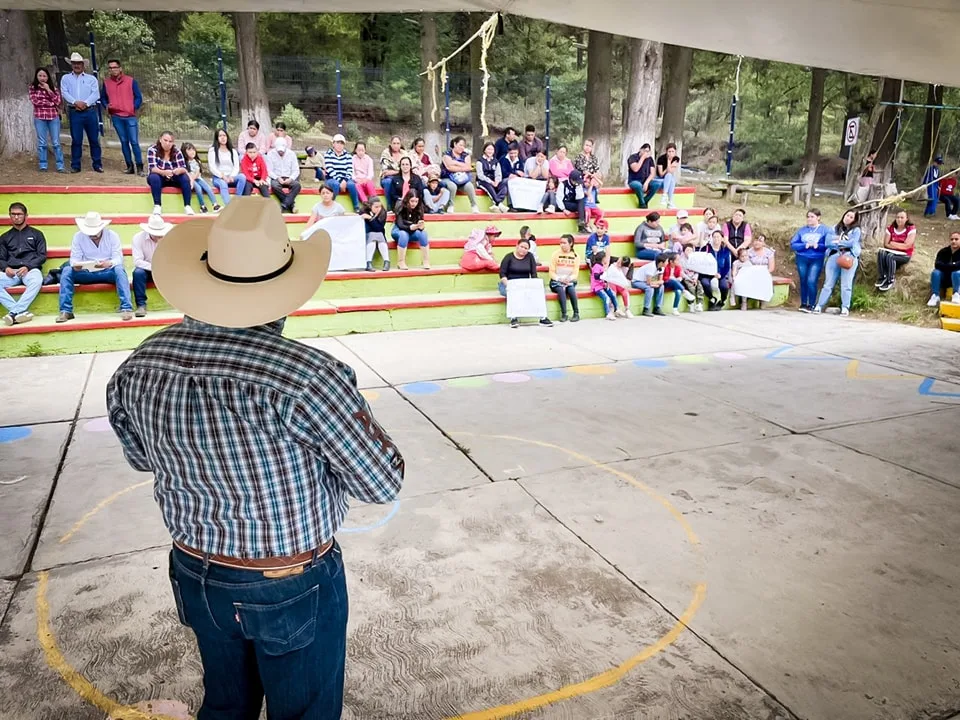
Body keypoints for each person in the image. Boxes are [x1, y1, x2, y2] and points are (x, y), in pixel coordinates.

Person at [106, 198, 404, 720]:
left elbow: (140, 458)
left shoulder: (140, 364)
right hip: (286, 580)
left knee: (226, 704)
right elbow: (380, 483)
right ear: (284, 292)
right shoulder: (309, 377)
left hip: (194, 567)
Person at [57, 211, 132, 323]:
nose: (92, 235)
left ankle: (126, 308)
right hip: (86, 272)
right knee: (67, 270)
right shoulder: (78, 237)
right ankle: (66, 310)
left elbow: (118, 258)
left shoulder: (112, 235)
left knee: (119, 269)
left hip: (107, 271)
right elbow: (74, 259)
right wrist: (77, 265)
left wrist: (109, 263)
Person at [0, 202, 46, 326]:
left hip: (30, 270)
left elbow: (42, 256)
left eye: (19, 214)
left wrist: (28, 266)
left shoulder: (37, 234)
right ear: (9, 216)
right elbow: (1, 258)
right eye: (13, 214)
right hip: (11, 273)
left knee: (37, 280)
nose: (16, 217)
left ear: (26, 215)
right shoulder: (4, 237)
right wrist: (6, 268)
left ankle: (13, 313)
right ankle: (20, 311)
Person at [60, 52, 102, 174]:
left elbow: (95, 94)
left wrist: (85, 103)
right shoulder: (65, 78)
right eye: (74, 63)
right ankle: (76, 165)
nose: (76, 65)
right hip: (75, 111)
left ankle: (97, 164)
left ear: (83, 64)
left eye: (78, 63)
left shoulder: (91, 79)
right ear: (71, 64)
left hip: (89, 111)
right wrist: (75, 102)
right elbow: (65, 93)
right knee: (76, 139)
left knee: (94, 139)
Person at [102, 59, 144, 176]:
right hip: (116, 116)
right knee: (124, 141)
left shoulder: (131, 81)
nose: (113, 70)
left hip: (130, 116)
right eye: (110, 68)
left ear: (120, 68)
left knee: (134, 142)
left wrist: (132, 107)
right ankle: (129, 166)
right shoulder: (106, 83)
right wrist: (107, 106)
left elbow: (138, 97)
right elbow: (103, 98)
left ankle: (140, 166)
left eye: (115, 67)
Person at [499, 237, 552, 328]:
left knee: (538, 292)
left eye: (526, 248)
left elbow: (533, 273)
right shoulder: (509, 257)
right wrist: (508, 284)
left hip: (525, 283)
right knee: (513, 294)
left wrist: (535, 286)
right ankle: (513, 318)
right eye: (522, 247)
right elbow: (502, 273)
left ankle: (542, 317)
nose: (523, 250)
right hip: (509, 283)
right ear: (517, 246)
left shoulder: (530, 256)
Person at [815, 211, 860, 316]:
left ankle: (845, 307)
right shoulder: (834, 228)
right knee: (828, 283)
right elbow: (828, 242)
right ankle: (819, 305)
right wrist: (842, 242)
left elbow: (852, 243)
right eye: (847, 215)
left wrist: (838, 241)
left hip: (849, 256)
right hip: (834, 255)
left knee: (846, 284)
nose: (848, 218)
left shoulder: (856, 230)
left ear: (854, 219)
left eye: (851, 217)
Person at [790, 208, 832, 312]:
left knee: (811, 280)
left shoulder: (825, 230)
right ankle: (804, 303)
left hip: (816, 258)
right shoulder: (802, 230)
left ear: (818, 218)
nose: (809, 219)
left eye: (812, 217)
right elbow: (793, 244)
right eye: (808, 217)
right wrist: (805, 245)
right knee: (803, 280)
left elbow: (828, 244)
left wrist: (818, 246)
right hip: (802, 257)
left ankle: (812, 304)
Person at [131, 214, 173, 317]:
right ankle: (141, 305)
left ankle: (183, 303)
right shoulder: (138, 238)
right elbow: (138, 261)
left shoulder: (169, 238)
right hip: (148, 269)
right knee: (138, 273)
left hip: (165, 268)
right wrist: (154, 267)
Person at [147, 131, 193, 216]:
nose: (168, 143)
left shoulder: (177, 152)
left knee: (184, 177)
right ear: (160, 140)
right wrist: (163, 172)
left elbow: (183, 167)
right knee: (154, 177)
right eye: (165, 140)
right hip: (159, 176)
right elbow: (152, 168)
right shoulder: (152, 150)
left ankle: (187, 206)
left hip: (173, 176)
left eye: (170, 141)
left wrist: (178, 170)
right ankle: (157, 206)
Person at [28, 67, 65, 173]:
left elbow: (58, 101)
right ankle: (43, 164)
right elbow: (35, 101)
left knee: (56, 142)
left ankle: (60, 165)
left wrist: (48, 90)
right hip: (40, 117)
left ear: (48, 77)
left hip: (53, 117)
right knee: (42, 143)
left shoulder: (53, 88)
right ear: (36, 76)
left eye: (44, 76)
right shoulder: (32, 88)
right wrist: (50, 103)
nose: (42, 78)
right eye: (40, 75)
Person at [877, 209, 916, 292]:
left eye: (902, 217)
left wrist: (893, 243)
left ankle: (890, 279)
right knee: (881, 252)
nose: (899, 219)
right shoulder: (891, 228)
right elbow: (886, 244)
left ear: (907, 219)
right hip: (893, 251)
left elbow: (907, 246)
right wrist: (900, 245)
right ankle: (882, 276)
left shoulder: (911, 229)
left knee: (890, 256)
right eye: (897, 217)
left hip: (905, 255)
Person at [440, 136, 480, 213]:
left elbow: (468, 167)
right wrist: (462, 165)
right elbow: (449, 167)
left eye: (463, 146)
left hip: (462, 178)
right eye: (460, 145)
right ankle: (450, 205)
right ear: (455, 144)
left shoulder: (466, 155)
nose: (462, 147)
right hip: (447, 177)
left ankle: (474, 205)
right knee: (452, 186)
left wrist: (454, 163)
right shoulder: (446, 154)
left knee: (469, 186)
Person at [207, 129, 247, 205]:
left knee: (242, 177)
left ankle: (237, 200)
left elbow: (236, 167)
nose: (223, 138)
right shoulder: (213, 151)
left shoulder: (233, 151)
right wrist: (223, 176)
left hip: (231, 177)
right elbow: (212, 167)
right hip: (219, 178)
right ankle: (229, 207)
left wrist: (232, 176)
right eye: (220, 136)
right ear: (217, 138)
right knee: (223, 184)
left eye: (224, 135)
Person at [392, 190, 430, 270]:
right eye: (412, 201)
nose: (414, 204)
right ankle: (401, 261)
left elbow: (421, 224)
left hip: (413, 230)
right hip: (399, 230)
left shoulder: (419, 207)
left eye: (416, 201)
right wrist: (410, 227)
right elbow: (400, 224)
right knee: (404, 234)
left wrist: (421, 226)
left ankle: (426, 261)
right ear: (407, 199)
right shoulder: (400, 205)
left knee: (423, 234)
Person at [549, 234, 580, 322]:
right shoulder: (555, 254)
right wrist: (559, 279)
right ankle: (564, 314)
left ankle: (576, 313)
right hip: (557, 280)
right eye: (561, 243)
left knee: (571, 289)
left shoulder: (575, 256)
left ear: (571, 243)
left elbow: (575, 273)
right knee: (560, 290)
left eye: (564, 243)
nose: (562, 245)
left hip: (569, 280)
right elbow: (551, 272)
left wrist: (568, 279)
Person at [323, 134, 359, 210]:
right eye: (337, 143)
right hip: (331, 178)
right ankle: (331, 206)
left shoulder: (348, 155)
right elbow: (330, 169)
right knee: (335, 184)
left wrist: (345, 181)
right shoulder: (328, 154)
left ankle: (356, 207)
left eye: (342, 143)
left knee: (352, 185)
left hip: (345, 178)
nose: (339, 145)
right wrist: (340, 182)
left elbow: (350, 169)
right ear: (333, 144)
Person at [267, 138, 302, 214]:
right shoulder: (270, 154)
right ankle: (291, 205)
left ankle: (284, 205)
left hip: (289, 177)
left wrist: (291, 178)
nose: (281, 152)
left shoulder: (291, 154)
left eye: (282, 151)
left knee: (297, 185)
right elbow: (269, 170)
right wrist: (277, 178)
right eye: (279, 151)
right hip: (277, 177)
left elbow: (296, 170)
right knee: (274, 186)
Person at [182, 143, 219, 214]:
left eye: (193, 149)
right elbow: (188, 174)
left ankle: (215, 205)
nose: (192, 151)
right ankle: (202, 206)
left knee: (208, 187)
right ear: (184, 152)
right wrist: (193, 178)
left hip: (198, 178)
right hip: (191, 180)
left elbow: (198, 172)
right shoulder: (185, 163)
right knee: (198, 188)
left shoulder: (197, 161)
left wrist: (195, 176)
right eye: (189, 150)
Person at [928, 231, 960, 306]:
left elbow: (958, 266)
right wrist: (953, 265)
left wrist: (947, 266)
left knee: (956, 273)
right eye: (952, 239)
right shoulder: (943, 251)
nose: (953, 241)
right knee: (935, 273)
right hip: (945, 277)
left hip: (957, 278)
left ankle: (957, 294)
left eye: (956, 239)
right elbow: (937, 264)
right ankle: (935, 296)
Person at [704, 229, 732, 310]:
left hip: (720, 274)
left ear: (722, 239)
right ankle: (712, 299)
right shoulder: (706, 249)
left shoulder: (726, 251)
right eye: (714, 237)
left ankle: (722, 301)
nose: (716, 239)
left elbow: (727, 266)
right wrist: (710, 274)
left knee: (724, 287)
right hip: (708, 274)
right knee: (705, 283)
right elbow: (702, 263)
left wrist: (720, 275)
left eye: (718, 237)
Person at [476, 142, 509, 212]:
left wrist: (497, 181)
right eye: (488, 149)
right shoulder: (480, 161)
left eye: (492, 150)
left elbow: (498, 174)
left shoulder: (496, 161)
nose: (490, 151)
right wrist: (491, 182)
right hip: (483, 181)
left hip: (494, 181)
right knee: (489, 186)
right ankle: (499, 203)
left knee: (504, 186)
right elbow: (480, 175)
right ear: (484, 150)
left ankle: (496, 205)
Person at [360, 197, 389, 272]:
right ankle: (368, 262)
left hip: (380, 236)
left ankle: (386, 261)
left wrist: (370, 218)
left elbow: (379, 228)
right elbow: (366, 228)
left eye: (380, 206)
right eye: (376, 207)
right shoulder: (363, 211)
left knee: (377, 234)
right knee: (373, 235)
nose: (379, 209)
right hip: (366, 236)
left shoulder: (383, 212)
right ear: (370, 206)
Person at [589, 251, 620, 321]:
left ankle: (617, 309)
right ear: (602, 259)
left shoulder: (602, 266)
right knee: (606, 298)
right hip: (597, 287)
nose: (607, 259)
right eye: (606, 258)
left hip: (602, 285)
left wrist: (606, 282)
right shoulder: (596, 266)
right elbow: (596, 276)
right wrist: (603, 275)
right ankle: (608, 313)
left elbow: (604, 277)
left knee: (613, 294)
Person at [626, 143, 657, 208]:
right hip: (634, 180)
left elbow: (652, 173)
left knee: (657, 184)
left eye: (648, 151)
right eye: (645, 151)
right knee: (638, 185)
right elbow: (635, 169)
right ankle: (642, 203)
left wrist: (646, 182)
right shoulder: (633, 157)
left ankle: (645, 200)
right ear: (640, 150)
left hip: (645, 181)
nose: (646, 153)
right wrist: (642, 158)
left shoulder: (650, 159)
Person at [679, 244, 704, 312]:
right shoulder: (681, 260)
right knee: (691, 288)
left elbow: (697, 271)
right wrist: (689, 279)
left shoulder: (695, 260)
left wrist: (695, 279)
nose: (689, 252)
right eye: (687, 250)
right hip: (686, 278)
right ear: (684, 251)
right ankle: (691, 304)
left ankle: (699, 304)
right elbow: (681, 272)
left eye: (691, 250)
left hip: (694, 278)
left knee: (700, 287)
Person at [654, 143, 681, 208]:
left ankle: (666, 197)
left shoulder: (676, 159)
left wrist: (669, 163)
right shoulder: (661, 158)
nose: (671, 153)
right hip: (659, 178)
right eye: (669, 151)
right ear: (666, 152)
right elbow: (661, 174)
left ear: (675, 152)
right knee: (669, 177)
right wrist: (669, 162)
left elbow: (671, 171)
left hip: (668, 178)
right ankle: (669, 200)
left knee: (670, 177)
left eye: (672, 151)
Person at [562, 169, 588, 234]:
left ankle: (581, 222)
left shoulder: (578, 186)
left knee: (581, 204)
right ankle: (582, 224)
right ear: (571, 180)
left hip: (574, 202)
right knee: (581, 207)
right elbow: (559, 199)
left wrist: (577, 188)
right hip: (565, 203)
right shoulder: (563, 184)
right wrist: (563, 209)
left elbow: (580, 197)